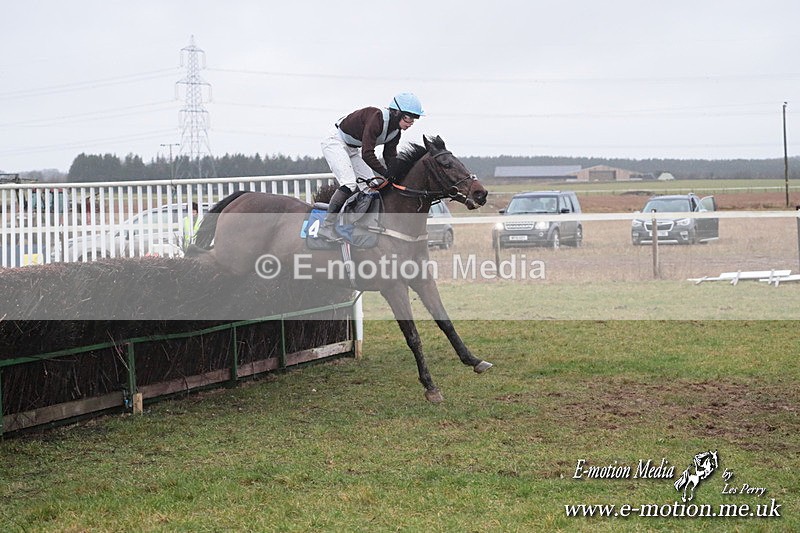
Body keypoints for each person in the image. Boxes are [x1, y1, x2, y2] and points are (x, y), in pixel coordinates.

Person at [317, 92, 424, 241]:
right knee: (349, 184)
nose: (411, 123)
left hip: (353, 148)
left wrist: (397, 174)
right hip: (335, 142)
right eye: (408, 118)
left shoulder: (395, 132)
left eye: (414, 119)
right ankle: (326, 227)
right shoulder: (377, 118)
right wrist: (386, 173)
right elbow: (367, 154)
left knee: (371, 187)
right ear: (397, 112)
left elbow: (390, 157)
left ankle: (360, 224)